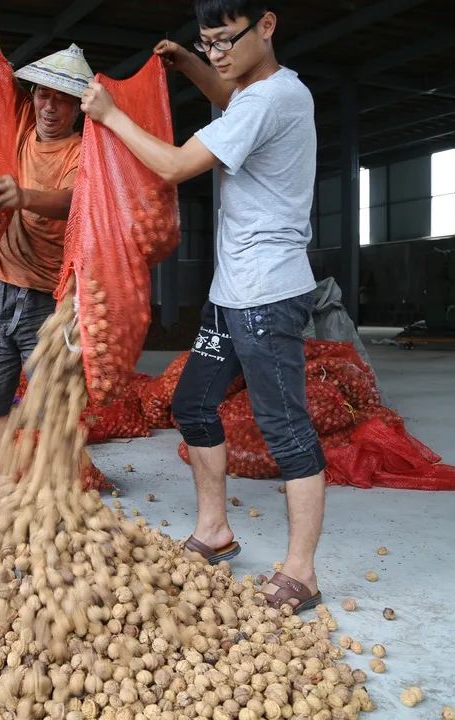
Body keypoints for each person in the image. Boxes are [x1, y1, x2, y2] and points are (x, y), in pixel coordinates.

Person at [80, 0, 324, 614]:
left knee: (286, 430)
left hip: (268, 294)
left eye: (225, 41)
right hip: (231, 292)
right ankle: (215, 530)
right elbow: (226, 92)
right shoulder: (251, 93)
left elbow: (176, 165)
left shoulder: (273, 101)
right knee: (192, 402)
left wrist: (110, 117)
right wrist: (190, 63)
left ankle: (302, 571)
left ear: (268, 25)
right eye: (207, 41)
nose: (218, 53)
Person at [0, 0, 95, 471]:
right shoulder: (18, 121)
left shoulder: (85, 151)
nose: (49, 106)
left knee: (58, 402)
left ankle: (56, 488)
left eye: (62, 98)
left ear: (79, 106)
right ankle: (9, 487)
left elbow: (74, 202)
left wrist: (23, 196)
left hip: (47, 300)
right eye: (43, 94)